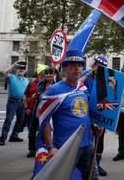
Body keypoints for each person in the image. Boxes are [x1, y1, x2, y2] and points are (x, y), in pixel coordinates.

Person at [41, 50, 101, 180]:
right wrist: (50, 147)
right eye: (73, 65)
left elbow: (85, 112)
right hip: (65, 147)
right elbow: (43, 121)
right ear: (65, 68)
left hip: (87, 144)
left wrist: (95, 125)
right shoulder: (54, 91)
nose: (77, 68)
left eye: (79, 65)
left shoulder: (82, 87)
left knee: (92, 177)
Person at [81, 55, 109, 177]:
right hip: (85, 112)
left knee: (99, 140)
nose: (100, 67)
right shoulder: (86, 74)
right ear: (95, 64)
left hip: (99, 112)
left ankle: (96, 164)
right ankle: (88, 166)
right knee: (88, 142)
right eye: (98, 65)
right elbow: (77, 84)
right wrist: (89, 74)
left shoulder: (103, 78)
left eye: (103, 66)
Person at [0, 61, 29, 146]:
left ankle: (14, 136)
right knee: (8, 120)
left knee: (20, 121)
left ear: (25, 71)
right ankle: (3, 138)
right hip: (13, 102)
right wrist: (13, 65)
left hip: (22, 102)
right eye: (20, 68)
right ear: (17, 70)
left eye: (23, 69)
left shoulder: (26, 80)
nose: (21, 70)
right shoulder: (12, 77)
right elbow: (4, 72)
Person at [23, 64, 48, 157]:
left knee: (43, 131)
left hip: (44, 113)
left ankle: (42, 149)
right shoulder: (32, 82)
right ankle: (32, 149)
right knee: (32, 131)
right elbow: (25, 95)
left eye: (45, 72)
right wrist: (26, 108)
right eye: (43, 72)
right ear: (39, 73)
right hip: (32, 112)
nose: (44, 74)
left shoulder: (48, 83)